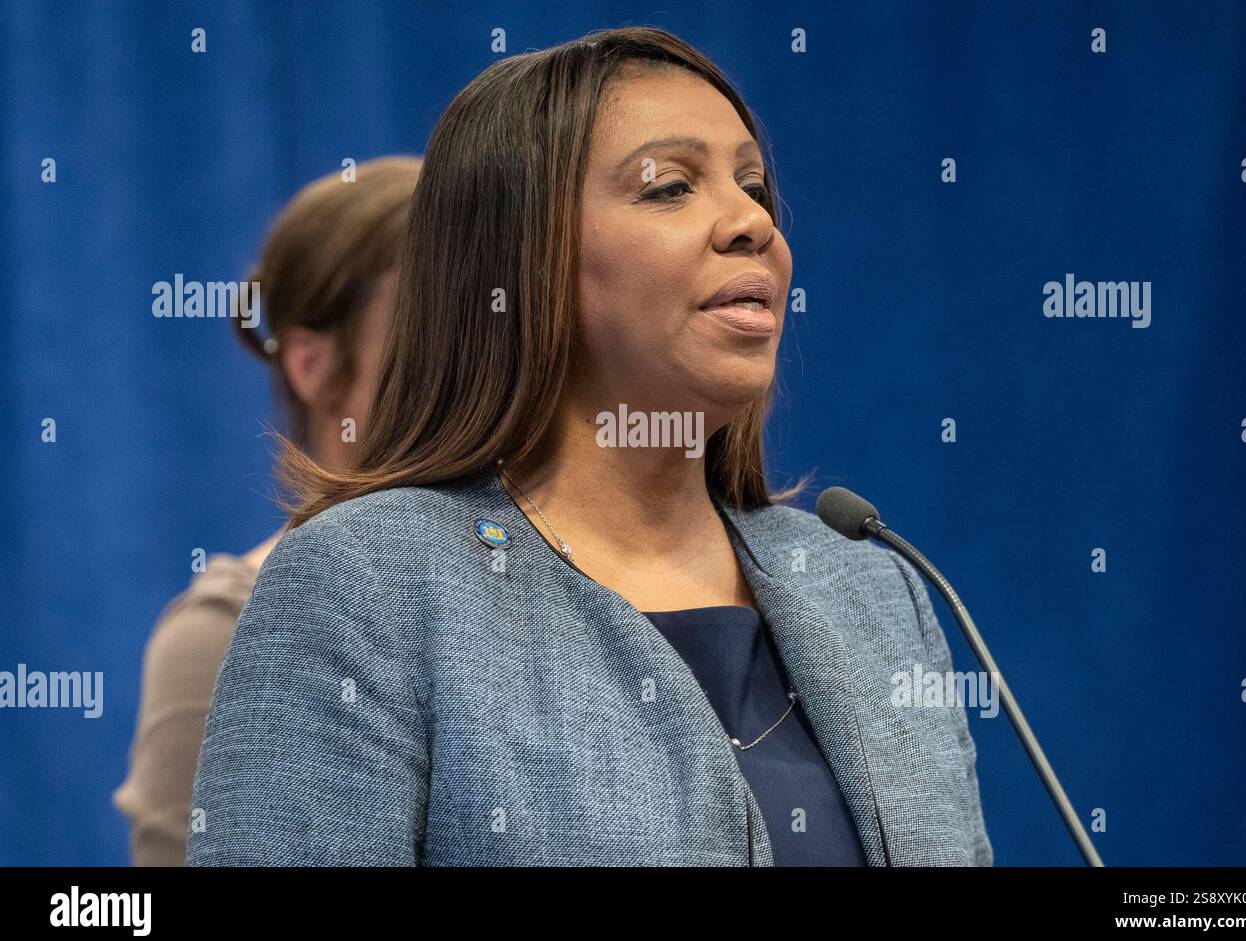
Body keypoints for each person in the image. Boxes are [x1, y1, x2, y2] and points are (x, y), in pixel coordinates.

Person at [187, 27, 993, 866]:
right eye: (672, 187)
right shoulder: (371, 583)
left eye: (754, 186)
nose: (752, 221)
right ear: (523, 259)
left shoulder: (868, 583)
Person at [112, 156, 422, 866]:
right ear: (313, 366)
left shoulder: (577, 586)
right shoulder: (224, 633)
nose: (483, 362)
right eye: (433, 326)